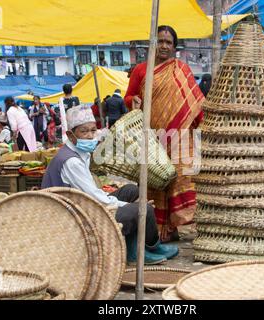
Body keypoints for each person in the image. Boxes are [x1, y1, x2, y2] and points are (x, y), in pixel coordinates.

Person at [41, 106, 178, 265]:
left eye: (93, 130)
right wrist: (129, 206)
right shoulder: (71, 161)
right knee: (142, 208)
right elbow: (97, 200)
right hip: (76, 218)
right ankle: (139, 253)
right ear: (70, 135)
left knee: (131, 190)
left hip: (84, 205)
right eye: (84, 132)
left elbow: (92, 194)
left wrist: (126, 203)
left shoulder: (80, 153)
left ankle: (150, 247)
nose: (91, 136)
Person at [124, 25, 205, 242]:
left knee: (179, 178)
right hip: (152, 136)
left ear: (174, 47)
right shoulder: (141, 70)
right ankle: (157, 230)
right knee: (155, 182)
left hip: (180, 138)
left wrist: (203, 126)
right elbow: (129, 96)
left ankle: (174, 226)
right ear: (152, 44)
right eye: (159, 41)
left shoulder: (182, 70)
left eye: (168, 42)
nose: (164, 46)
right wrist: (133, 101)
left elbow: (195, 102)